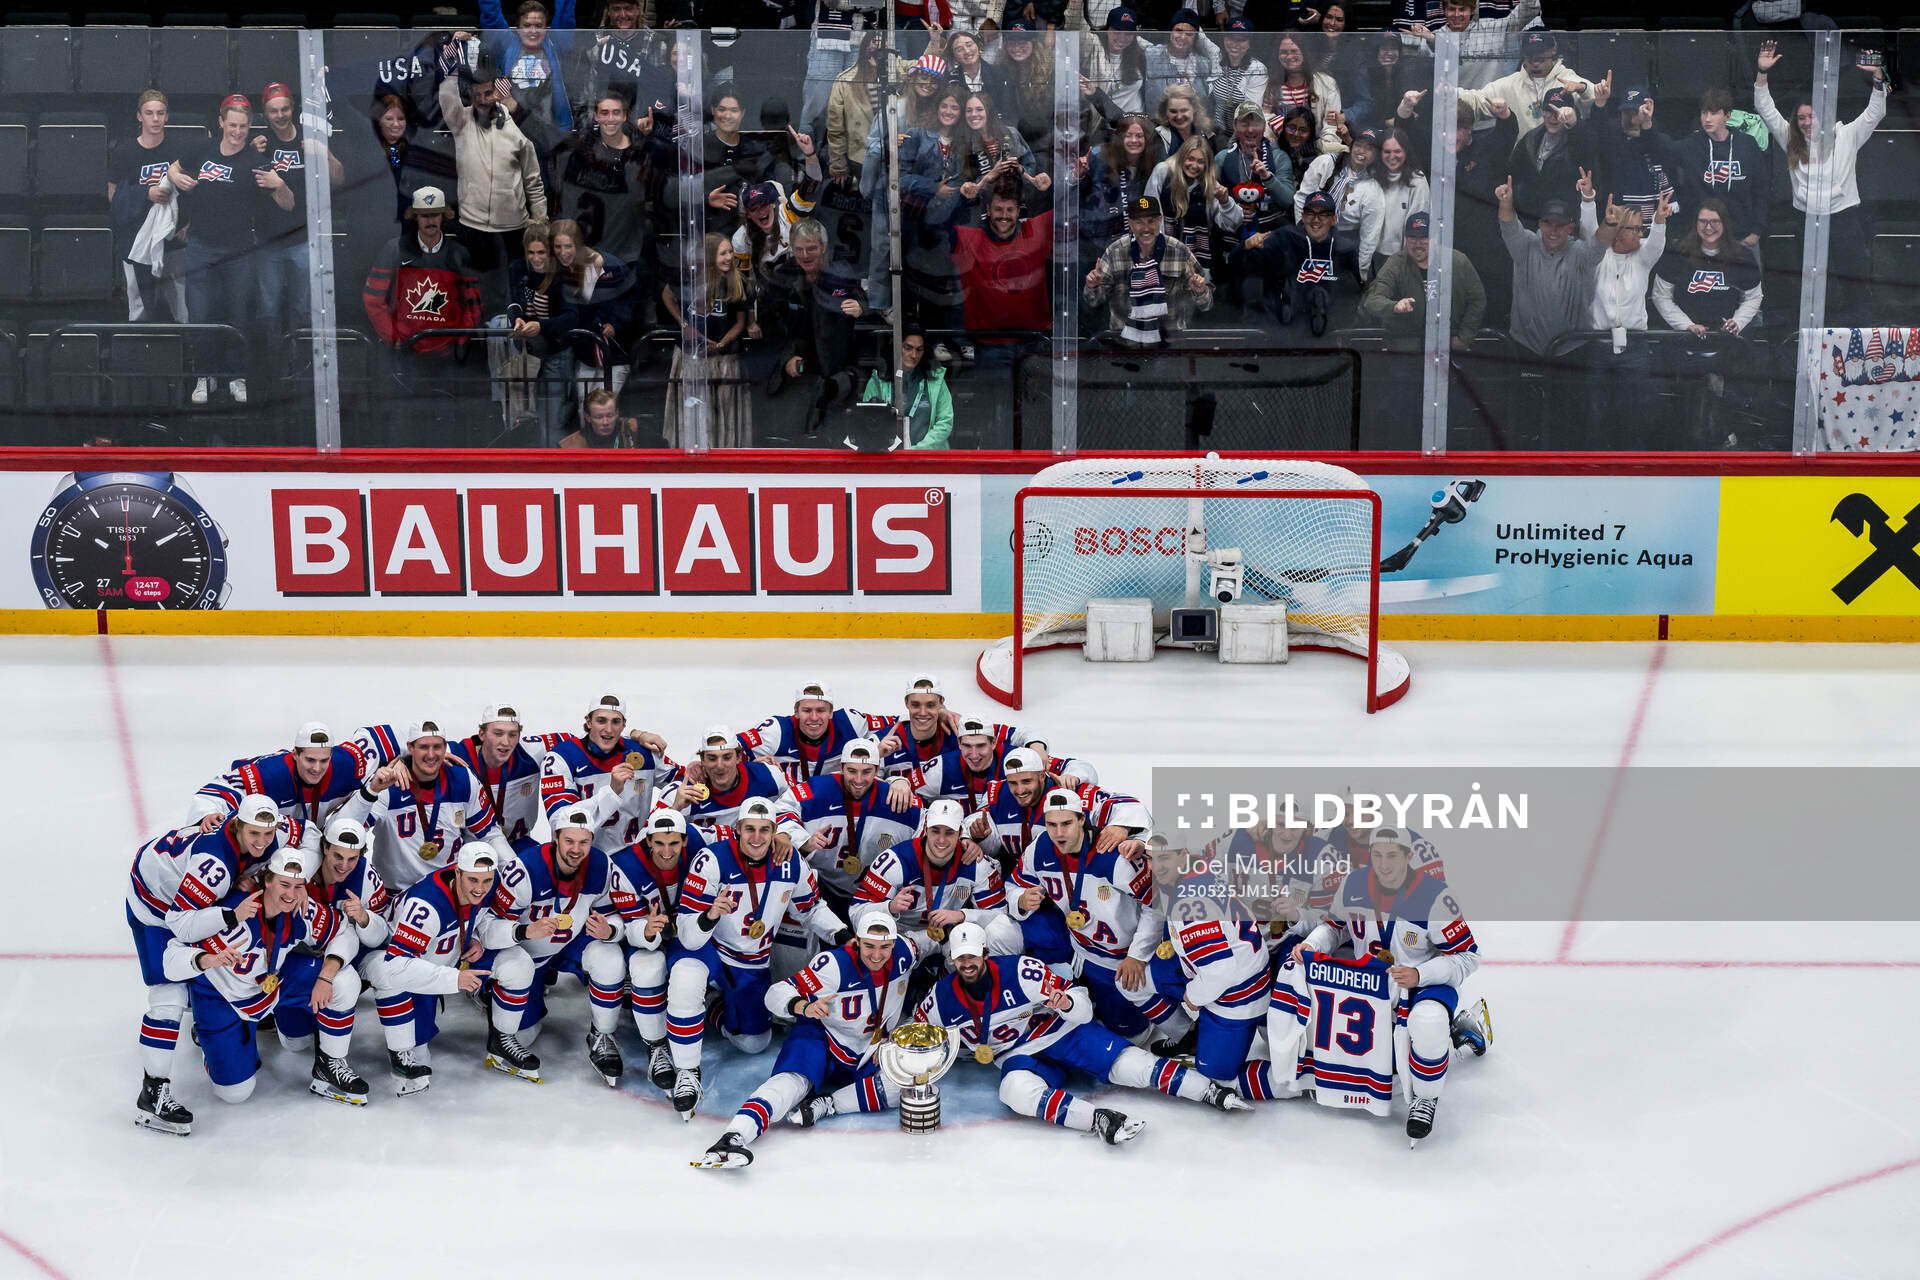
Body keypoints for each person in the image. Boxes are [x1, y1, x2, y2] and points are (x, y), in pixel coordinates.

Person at [915, 923, 1248, 1144]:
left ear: (986, 954)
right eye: (960, 959)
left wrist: (1067, 1003)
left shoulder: (1021, 971)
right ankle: (1098, 1120)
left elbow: (1083, 1006)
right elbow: (916, 1037)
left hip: (1059, 1031)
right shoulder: (939, 1000)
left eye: (972, 956)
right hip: (1014, 1054)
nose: (967, 964)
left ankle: (1207, 1091)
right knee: (1013, 1092)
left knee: (1128, 1066)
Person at [1286, 828, 1483, 1141]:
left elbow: (1468, 957)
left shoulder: (1436, 898)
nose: (1384, 864)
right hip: (1375, 986)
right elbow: (1335, 929)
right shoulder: (1353, 884)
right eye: (1377, 855)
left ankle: (1426, 1096)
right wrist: (1313, 944)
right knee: (1389, 1067)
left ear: (1407, 856)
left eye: (1392, 855)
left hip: (1421, 987)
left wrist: (1420, 975)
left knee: (1427, 1024)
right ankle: (1457, 1028)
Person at [667, 797, 848, 1118]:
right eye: (749, 829)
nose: (756, 837)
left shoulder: (790, 861)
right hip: (706, 946)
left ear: (775, 831)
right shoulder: (711, 859)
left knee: (754, 1043)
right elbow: (687, 934)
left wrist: (844, 935)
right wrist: (710, 915)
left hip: (751, 961)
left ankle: (713, 1005)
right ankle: (686, 1072)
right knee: (686, 976)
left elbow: (811, 910)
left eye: (765, 830)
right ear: (736, 830)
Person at [158, 844, 365, 1125]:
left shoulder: (300, 908)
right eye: (283, 884)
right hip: (222, 1002)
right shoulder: (232, 914)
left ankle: (329, 1065)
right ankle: (212, 1043)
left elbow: (344, 931)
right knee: (235, 1092)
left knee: (344, 981)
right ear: (266, 880)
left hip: (271, 986)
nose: (290, 894)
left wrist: (327, 974)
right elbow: (169, 961)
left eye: (297, 886)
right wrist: (207, 959)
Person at [697, 914, 921, 1168]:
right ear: (857, 941)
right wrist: (802, 1006)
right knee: (791, 1083)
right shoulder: (833, 965)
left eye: (884, 947)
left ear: (894, 943)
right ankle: (734, 1136)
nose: (877, 955)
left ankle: (827, 1104)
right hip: (824, 1039)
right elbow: (776, 993)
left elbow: (929, 943)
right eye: (869, 946)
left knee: (907, 1086)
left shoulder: (906, 951)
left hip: (869, 1049)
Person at [127, 794, 285, 1134]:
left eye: (267, 834)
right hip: (156, 908)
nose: (262, 842)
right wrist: (230, 912)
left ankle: (208, 1022)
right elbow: (180, 923)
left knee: (204, 960)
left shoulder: (264, 835)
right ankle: (152, 1092)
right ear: (239, 826)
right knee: (169, 994)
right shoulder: (214, 866)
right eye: (254, 833)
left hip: (185, 897)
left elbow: (307, 836)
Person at [371, 839, 529, 1095]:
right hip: (419, 967)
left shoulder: (488, 882)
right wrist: (454, 979)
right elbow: (395, 967)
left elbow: (483, 916)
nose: (480, 889)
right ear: (457, 872)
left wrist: (476, 938)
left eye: (486, 881)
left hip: (453, 954)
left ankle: (503, 1039)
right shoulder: (426, 905)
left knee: (519, 964)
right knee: (419, 1064)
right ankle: (402, 1049)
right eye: (473, 881)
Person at [1754, 38, 1886, 325]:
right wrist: (1762, 73)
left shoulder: (1846, 135)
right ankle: (1810, 345)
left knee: (1854, 287)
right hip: (1807, 221)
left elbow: (1875, 113)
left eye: (1811, 116)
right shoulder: (1790, 139)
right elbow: (1765, 108)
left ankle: (1857, 342)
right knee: (1811, 289)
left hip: (1844, 222)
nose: (1805, 121)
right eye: (1800, 117)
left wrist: (1878, 77)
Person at [170, 94, 285, 407]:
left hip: (238, 252)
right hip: (200, 248)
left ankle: (236, 375)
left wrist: (280, 185)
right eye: (232, 124)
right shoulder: (201, 148)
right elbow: (174, 168)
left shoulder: (255, 162)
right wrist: (175, 176)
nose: (237, 131)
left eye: (243, 126)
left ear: (250, 126)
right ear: (221, 123)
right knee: (200, 314)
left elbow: (287, 204)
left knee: (238, 315)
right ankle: (204, 376)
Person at [361, 187, 485, 446]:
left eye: (435, 214)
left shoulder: (458, 253)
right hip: (405, 357)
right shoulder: (394, 249)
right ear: (414, 217)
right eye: (424, 215)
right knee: (402, 426)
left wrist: (458, 343)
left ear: (444, 216)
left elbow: (473, 307)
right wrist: (392, 337)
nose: (430, 221)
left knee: (446, 429)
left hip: (446, 360)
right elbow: (373, 298)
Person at [336, 718, 518, 891]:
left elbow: (488, 833)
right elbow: (341, 829)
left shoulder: (463, 780)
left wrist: (515, 871)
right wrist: (372, 791)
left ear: (446, 748)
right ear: (410, 748)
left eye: (437, 747)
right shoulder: (389, 785)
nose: (431, 755)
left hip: (448, 891)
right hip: (394, 893)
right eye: (424, 747)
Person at [438, 45, 550, 313]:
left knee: (518, 293)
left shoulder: (516, 128)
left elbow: (533, 181)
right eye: (477, 95)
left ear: (497, 92)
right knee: (478, 297)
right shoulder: (461, 122)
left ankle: (519, 342)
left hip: (514, 230)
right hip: (473, 228)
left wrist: (540, 222)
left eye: (488, 93)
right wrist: (452, 68)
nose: (483, 100)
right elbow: (447, 97)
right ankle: (481, 343)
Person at [1652, 197, 1764, 447]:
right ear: (1695, 224)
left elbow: (1754, 296)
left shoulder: (1741, 255)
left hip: (1726, 339)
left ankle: (1729, 436)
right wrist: (1685, 324)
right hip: (1685, 339)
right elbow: (1661, 296)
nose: (1708, 227)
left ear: (1724, 223)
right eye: (1703, 221)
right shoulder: (1678, 253)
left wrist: (1738, 322)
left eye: (1714, 221)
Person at [1577, 177, 1672, 448]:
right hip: (1599, 343)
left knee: (1635, 415)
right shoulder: (1597, 256)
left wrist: (1659, 221)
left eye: (1641, 229)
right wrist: (1587, 199)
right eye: (1635, 229)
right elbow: (1589, 230)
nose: (1640, 234)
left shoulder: (1642, 259)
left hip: (1635, 346)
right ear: (1617, 232)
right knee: (1597, 413)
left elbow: (1656, 243)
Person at [852, 797, 1017, 953]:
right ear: (926, 829)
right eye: (935, 831)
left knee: (1002, 930)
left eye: (949, 832)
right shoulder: (896, 861)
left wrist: (962, 915)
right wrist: (890, 908)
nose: (941, 840)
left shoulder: (975, 863)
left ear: (960, 833)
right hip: (899, 937)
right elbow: (856, 913)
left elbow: (1000, 915)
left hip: (948, 934)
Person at [953, 184, 1051, 443]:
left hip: (1033, 344)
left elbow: (1069, 213)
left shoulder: (1035, 230)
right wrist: (965, 197)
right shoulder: (973, 238)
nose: (1004, 215)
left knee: (1036, 412)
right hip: (991, 346)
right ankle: (996, 473)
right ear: (988, 210)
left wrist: (1074, 181)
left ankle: (1034, 470)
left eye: (1009, 209)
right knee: (995, 415)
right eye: (998, 209)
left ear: (1019, 211)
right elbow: (939, 227)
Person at [251, 82, 343, 345]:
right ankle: (272, 364)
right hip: (268, 241)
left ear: (293, 109)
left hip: (304, 239)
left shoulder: (310, 137)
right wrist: (249, 152)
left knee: (302, 309)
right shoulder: (260, 144)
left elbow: (338, 179)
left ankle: (298, 363)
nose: (279, 116)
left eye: (284, 109)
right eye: (273, 111)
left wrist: (323, 153)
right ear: (265, 114)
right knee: (268, 310)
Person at [761, 219, 866, 439]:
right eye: (799, 249)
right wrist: (786, 357)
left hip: (835, 365)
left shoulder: (841, 271)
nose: (805, 255)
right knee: (797, 436)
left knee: (833, 436)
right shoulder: (783, 275)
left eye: (811, 249)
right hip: (798, 370)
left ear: (824, 247)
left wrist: (860, 307)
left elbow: (861, 299)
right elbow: (769, 321)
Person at [1498, 182, 1605, 367]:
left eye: (1560, 225)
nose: (1553, 231)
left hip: (1573, 348)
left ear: (1569, 228)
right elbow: (1508, 226)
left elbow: (1600, 245)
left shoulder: (1580, 252)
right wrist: (1506, 203)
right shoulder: (1525, 245)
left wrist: (1610, 222)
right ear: (1540, 224)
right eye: (1548, 223)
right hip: (1526, 347)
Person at [1086, 194, 1213, 346]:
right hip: (1124, 342)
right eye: (1139, 222)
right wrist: (1092, 286)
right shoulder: (1115, 252)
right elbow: (1094, 301)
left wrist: (1200, 291)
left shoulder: (1179, 251)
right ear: (1130, 224)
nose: (1146, 228)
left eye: (1151, 221)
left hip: (1170, 342)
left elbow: (1206, 304)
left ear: (1160, 221)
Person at [663, 232, 752, 448]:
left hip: (723, 361)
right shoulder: (689, 276)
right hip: (690, 358)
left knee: (723, 416)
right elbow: (667, 295)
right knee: (693, 415)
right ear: (710, 256)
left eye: (730, 252)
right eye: (723, 253)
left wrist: (721, 344)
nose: (729, 257)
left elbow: (740, 323)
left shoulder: (737, 281)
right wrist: (684, 325)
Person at [109, 89, 188, 324]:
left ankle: (186, 352)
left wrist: (187, 225)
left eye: (160, 113)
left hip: (173, 239)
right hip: (136, 241)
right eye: (150, 113)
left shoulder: (178, 149)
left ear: (167, 117)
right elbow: (113, 195)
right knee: (140, 307)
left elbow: (190, 190)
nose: (155, 119)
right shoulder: (124, 152)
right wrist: (145, 193)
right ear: (139, 116)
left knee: (182, 305)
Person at [1676, 87, 1771, 265]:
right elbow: (1663, 149)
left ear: (1727, 115)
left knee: (1750, 288)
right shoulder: (1692, 145)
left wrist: (1756, 231)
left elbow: (1762, 190)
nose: (1707, 119)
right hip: (1703, 238)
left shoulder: (1747, 145)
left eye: (1714, 113)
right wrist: (1647, 126)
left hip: (1741, 236)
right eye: (1704, 113)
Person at [503, 221, 577, 445]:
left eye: (542, 252)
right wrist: (517, 319)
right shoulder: (517, 268)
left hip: (557, 351)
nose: (536, 258)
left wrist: (541, 327)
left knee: (553, 417)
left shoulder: (564, 274)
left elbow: (572, 316)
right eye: (531, 253)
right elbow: (514, 302)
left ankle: (554, 466)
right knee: (523, 413)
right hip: (528, 352)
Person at [447, 703, 548, 854]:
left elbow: (578, 743)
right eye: (498, 733)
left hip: (518, 844)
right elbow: (412, 748)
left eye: (512, 734)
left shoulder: (530, 753)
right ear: (481, 734)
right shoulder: (458, 754)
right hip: (470, 851)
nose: (506, 742)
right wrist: (401, 763)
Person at [1147, 136, 1241, 295]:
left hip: (1195, 265)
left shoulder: (1210, 185)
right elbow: (1148, 207)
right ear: (1181, 156)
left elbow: (1233, 223)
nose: (1194, 165)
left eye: (1200, 161)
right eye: (1190, 159)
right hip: (1162, 257)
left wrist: (1225, 201)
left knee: (1187, 311)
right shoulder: (1163, 171)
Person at [1295, 124, 1382, 279]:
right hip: (1308, 233)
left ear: (1376, 155)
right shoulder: (1325, 163)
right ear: (1351, 145)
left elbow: (1370, 236)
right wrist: (1302, 234)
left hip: (1342, 247)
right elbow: (1302, 198)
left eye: (1369, 148)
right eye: (1359, 145)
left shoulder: (1373, 189)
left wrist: (1361, 274)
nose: (1362, 151)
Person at [479, 0, 576, 132]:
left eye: (538, 25)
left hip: (549, 132)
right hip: (511, 129)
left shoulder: (555, 43)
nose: (533, 31)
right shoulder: (507, 45)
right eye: (527, 25)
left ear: (546, 28)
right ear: (518, 29)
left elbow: (565, 13)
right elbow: (491, 16)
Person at [1404, 0, 1541, 92]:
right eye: (1452, 9)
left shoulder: (1492, 29)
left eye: (1462, 9)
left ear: (1472, 10)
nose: (1457, 15)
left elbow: (1528, 10)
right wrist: (1432, 40)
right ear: (1444, 11)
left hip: (1488, 115)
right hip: (1450, 119)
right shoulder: (1432, 38)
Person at [1509, 85, 1595, 227]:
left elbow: (1587, 148)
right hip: (1530, 219)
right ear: (1542, 112)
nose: (1554, 116)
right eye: (1549, 110)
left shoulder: (1578, 142)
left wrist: (1574, 124)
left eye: (1560, 111)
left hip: (1564, 222)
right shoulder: (1530, 139)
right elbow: (1512, 174)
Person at [858, 325, 954, 448]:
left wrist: (916, 452)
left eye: (919, 349)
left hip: (929, 460)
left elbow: (945, 421)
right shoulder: (877, 381)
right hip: (889, 462)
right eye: (908, 348)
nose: (914, 355)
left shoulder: (935, 379)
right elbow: (867, 422)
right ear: (896, 347)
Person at [1355, 126, 1427, 272]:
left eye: (1397, 151)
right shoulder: (1372, 175)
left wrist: (1405, 263)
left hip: (1400, 259)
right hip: (1370, 254)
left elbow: (1417, 225)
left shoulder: (1417, 181)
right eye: (1387, 152)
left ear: (1405, 151)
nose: (1392, 156)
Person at [1267, 33, 1343, 151]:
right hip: (1280, 148)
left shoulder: (1327, 83)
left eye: (1294, 51)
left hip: (1317, 149)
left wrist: (1319, 148)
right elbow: (1264, 117)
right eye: (1283, 52)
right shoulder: (1271, 85)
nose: (1288, 56)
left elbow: (1331, 125)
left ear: (1304, 52)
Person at [1145, 10, 1219, 116]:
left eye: (1189, 34)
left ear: (1196, 37)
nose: (1183, 37)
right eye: (1178, 30)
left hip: (1193, 127)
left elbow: (1207, 104)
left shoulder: (1204, 64)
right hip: (1158, 126)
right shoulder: (1150, 55)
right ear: (1170, 32)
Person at [1085, 8, 1151, 123]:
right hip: (1103, 126)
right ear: (1107, 30)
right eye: (1117, 31)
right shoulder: (1093, 46)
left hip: (1136, 124)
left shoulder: (1141, 52)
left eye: (1128, 33)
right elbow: (1076, 26)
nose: (1122, 38)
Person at [1207, 19, 1269, 129]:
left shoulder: (1257, 69)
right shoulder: (1217, 58)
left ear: (1250, 43)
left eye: (1241, 40)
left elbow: (1251, 111)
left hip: (1242, 131)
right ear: (1224, 38)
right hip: (1216, 130)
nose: (1235, 44)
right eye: (1231, 38)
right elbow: (1200, 38)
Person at [559, 386, 640, 446]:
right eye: (599, 417)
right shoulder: (571, 445)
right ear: (588, 417)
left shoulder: (632, 430)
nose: (605, 422)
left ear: (617, 413)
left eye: (609, 416)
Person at [1155, 83, 1215, 154]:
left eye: (1184, 110)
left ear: (1194, 108)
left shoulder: (1208, 135)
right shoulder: (1158, 138)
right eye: (1173, 111)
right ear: (1165, 112)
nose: (1179, 116)